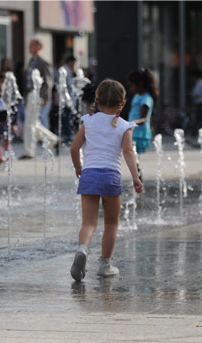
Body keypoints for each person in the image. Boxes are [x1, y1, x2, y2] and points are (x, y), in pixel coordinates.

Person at [69, 79, 143, 281]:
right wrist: (136, 177)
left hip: (89, 175)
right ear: (123, 103)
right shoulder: (125, 126)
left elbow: (74, 148)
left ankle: (83, 249)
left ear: (98, 100)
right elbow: (128, 152)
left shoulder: (88, 121)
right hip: (110, 176)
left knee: (89, 223)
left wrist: (78, 167)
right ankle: (105, 265)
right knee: (111, 224)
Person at [19, 39, 54, 159]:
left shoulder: (43, 63)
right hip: (30, 95)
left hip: (37, 96)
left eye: (31, 45)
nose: (29, 47)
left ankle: (30, 151)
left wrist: (43, 98)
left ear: (38, 47)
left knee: (30, 124)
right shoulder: (31, 61)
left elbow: (48, 82)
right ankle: (53, 140)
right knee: (32, 123)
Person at [126, 68, 159, 153]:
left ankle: (137, 167)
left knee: (133, 155)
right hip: (134, 130)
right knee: (133, 155)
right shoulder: (138, 95)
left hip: (139, 132)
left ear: (140, 83)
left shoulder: (146, 98)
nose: (130, 88)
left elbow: (144, 118)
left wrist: (131, 123)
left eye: (131, 85)